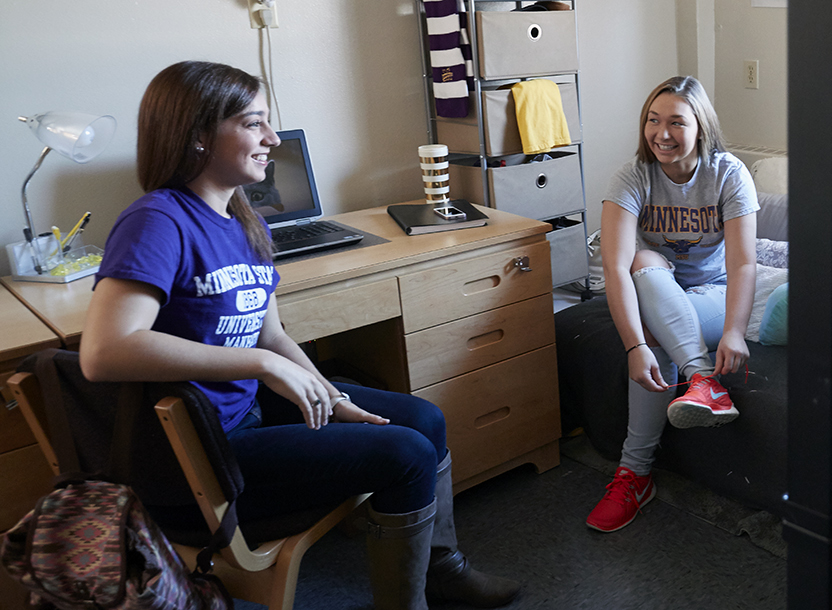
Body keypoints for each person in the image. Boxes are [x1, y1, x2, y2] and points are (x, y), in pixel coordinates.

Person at [78, 61, 519, 610]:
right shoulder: (157, 221)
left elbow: (271, 335)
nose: (272, 138)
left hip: (247, 416)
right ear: (196, 136)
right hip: (201, 455)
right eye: (252, 123)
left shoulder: (244, 221)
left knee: (423, 418)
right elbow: (104, 351)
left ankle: (443, 570)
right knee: (405, 453)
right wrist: (262, 368)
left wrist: (330, 397)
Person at [586, 76, 759, 533]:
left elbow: (743, 264)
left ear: (700, 126)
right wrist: (633, 346)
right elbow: (616, 268)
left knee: (659, 331)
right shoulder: (632, 176)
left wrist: (735, 330)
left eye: (676, 122)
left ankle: (634, 474)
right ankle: (703, 382)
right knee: (643, 262)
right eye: (652, 120)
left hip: (714, 294)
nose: (661, 133)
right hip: (655, 288)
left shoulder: (729, 173)